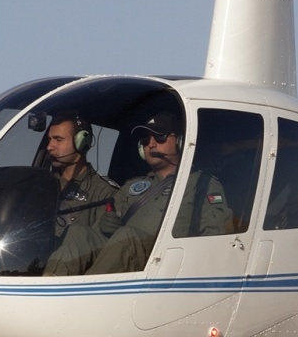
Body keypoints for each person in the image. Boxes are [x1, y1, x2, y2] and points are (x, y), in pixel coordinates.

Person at [85, 111, 231, 276]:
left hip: (165, 267)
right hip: (124, 265)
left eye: (160, 137)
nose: (151, 144)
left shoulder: (201, 184)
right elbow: (98, 233)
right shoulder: (131, 186)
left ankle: (79, 298)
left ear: (181, 142)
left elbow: (214, 241)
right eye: (146, 140)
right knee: (79, 234)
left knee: (128, 236)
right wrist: (104, 226)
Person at [40, 112, 116, 277]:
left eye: (58, 140)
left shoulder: (104, 192)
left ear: (82, 142)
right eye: (50, 140)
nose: (50, 147)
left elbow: (97, 249)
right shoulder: (42, 187)